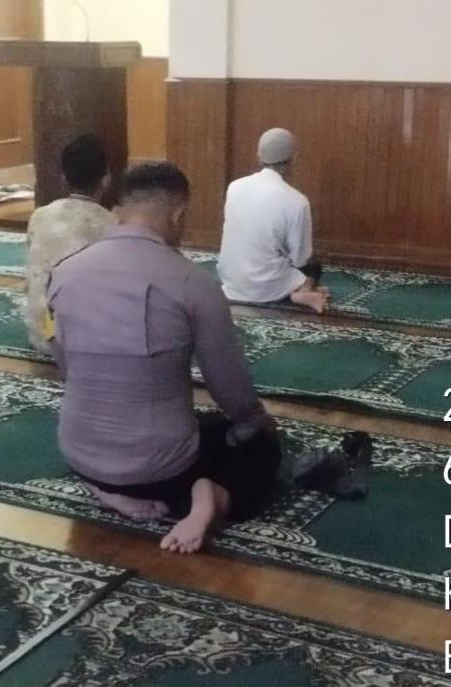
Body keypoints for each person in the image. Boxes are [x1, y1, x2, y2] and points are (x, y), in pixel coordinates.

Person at [48, 162, 281, 554]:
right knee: (260, 448)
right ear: (178, 214)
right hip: (161, 470)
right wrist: (256, 425)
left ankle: (106, 491)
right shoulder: (193, 282)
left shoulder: (63, 273)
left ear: (121, 208)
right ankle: (211, 498)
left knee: (187, 425)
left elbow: (66, 368)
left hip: (79, 454)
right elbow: (228, 385)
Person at [217, 127, 329, 314]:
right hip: (266, 288)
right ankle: (302, 291)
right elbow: (300, 258)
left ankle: (297, 291)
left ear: (258, 157)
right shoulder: (297, 201)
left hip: (231, 283)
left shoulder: (234, 187)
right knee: (314, 267)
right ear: (293, 160)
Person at [24, 134, 115, 354]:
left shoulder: (40, 215)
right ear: (106, 179)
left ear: (63, 178)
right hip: (82, 339)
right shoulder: (111, 224)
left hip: (40, 332)